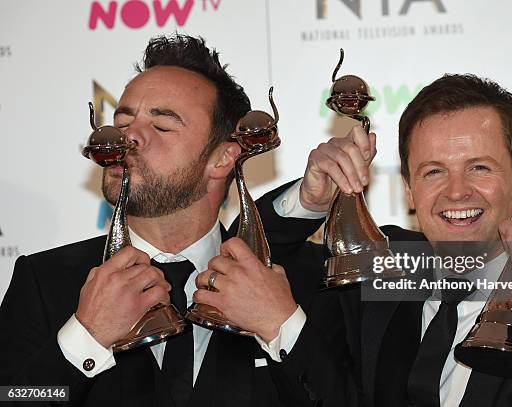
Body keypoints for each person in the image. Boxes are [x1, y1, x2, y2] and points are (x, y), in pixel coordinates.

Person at [194, 74, 512, 406]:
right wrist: (309, 200)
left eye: (479, 168)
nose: (456, 192)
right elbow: (237, 260)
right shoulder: (377, 265)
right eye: (433, 172)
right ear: (408, 190)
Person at [0, 33, 323, 407]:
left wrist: (280, 327)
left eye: (161, 125)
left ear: (222, 159)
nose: (129, 137)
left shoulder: (292, 281)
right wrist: (86, 338)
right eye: (123, 123)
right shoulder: (44, 279)